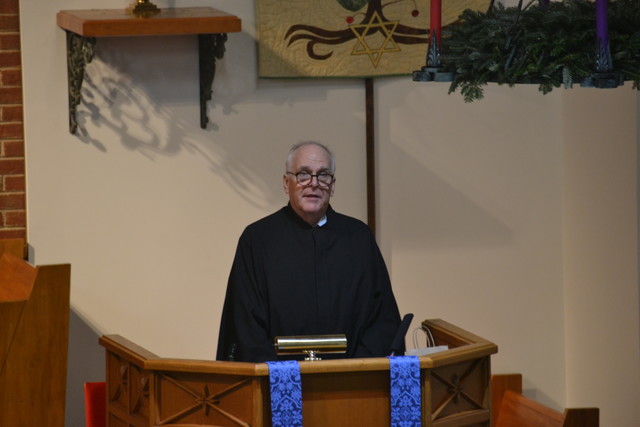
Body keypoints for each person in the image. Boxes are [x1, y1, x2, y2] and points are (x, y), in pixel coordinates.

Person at [216, 141, 402, 362]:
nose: (313, 184)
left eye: (323, 175)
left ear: (332, 185)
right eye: (303, 174)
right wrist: (280, 377)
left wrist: (355, 370)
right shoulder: (257, 240)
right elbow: (244, 323)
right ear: (287, 183)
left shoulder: (358, 238)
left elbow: (382, 319)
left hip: (352, 382)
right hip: (275, 383)